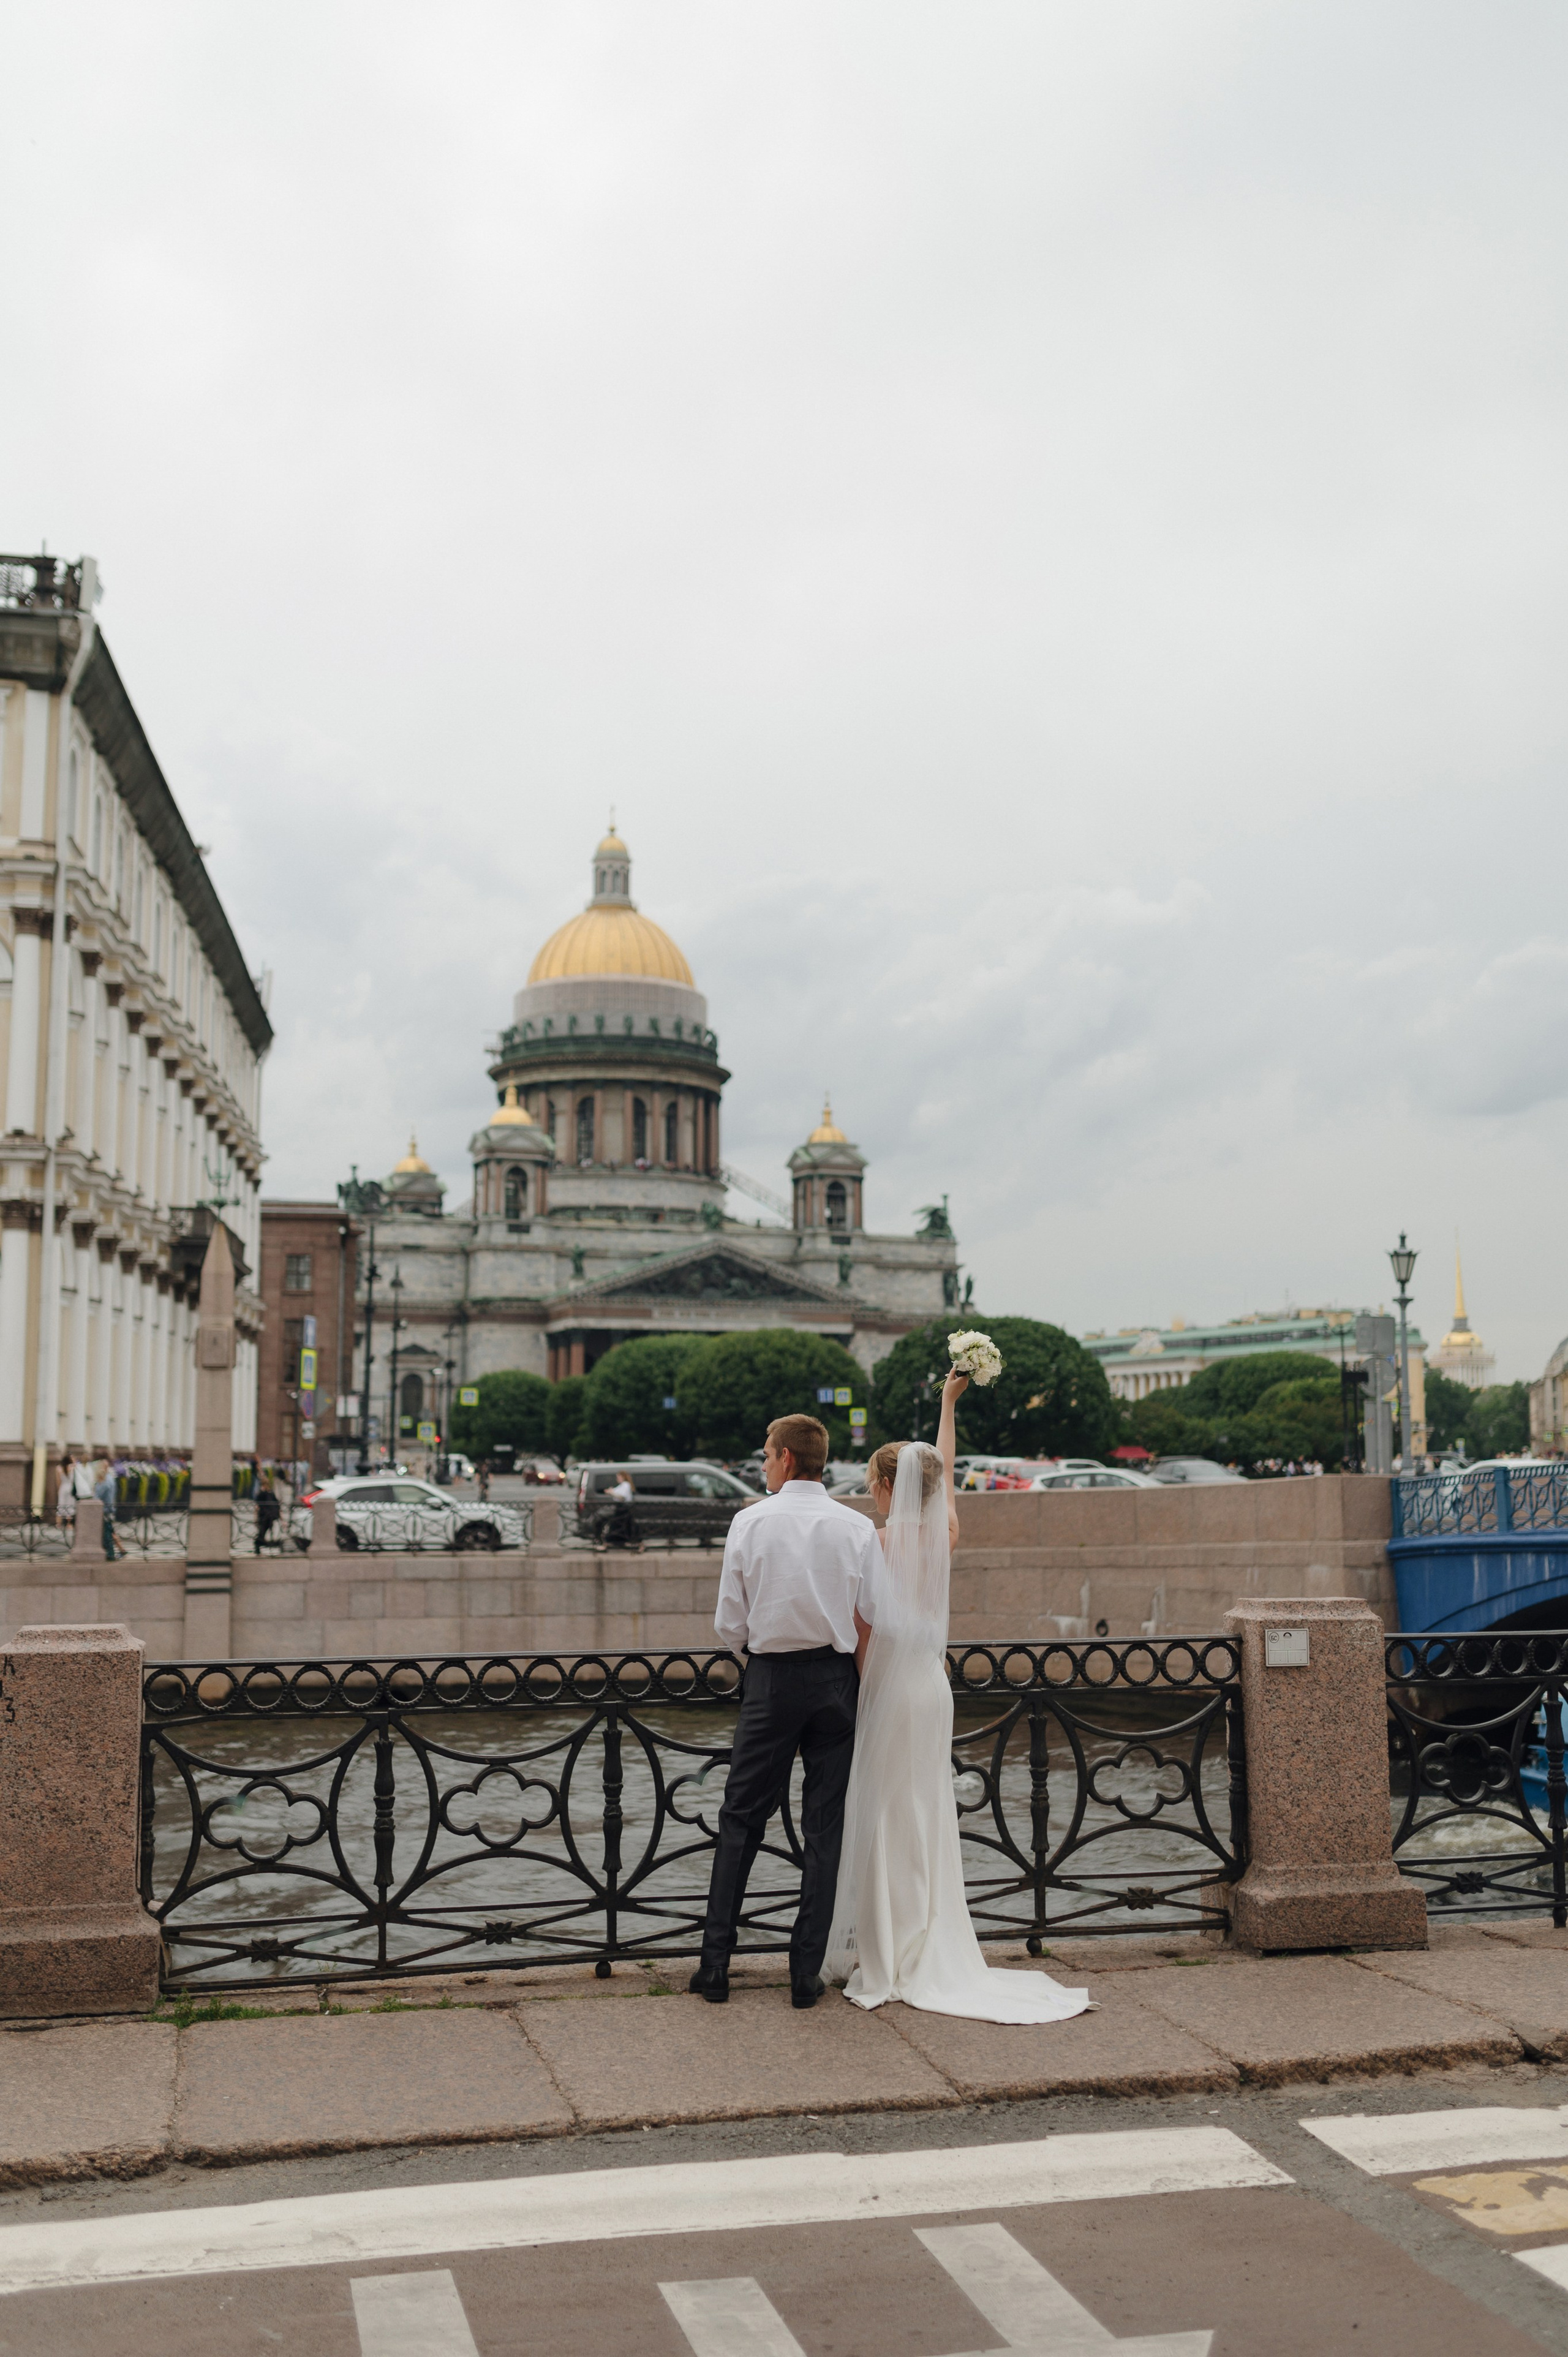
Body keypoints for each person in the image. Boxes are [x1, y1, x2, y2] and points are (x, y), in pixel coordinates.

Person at [824, 1371, 1090, 2026]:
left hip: (890, 1686)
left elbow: (861, 1636)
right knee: (926, 1809)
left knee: (887, 1813)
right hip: (931, 1687)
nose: (870, 1492)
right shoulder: (941, 1538)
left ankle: (886, 1945)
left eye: (873, 1482)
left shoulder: (877, 1542)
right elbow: (939, 1471)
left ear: (887, 1487)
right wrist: (948, 1403)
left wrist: (863, 1696)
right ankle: (928, 1935)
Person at [690, 1412, 876, 2011]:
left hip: (770, 1680)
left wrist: (759, 1651)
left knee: (741, 1817)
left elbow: (728, 1621)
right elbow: (870, 1611)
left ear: (788, 1459)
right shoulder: (855, 1526)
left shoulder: (750, 1521)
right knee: (825, 1827)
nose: (764, 1462)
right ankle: (804, 1973)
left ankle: (714, 1967)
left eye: (767, 1454)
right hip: (833, 1680)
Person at [92, 1456, 119, 1561]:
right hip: (109, 1508)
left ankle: (110, 1553)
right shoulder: (110, 1478)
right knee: (109, 1530)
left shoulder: (105, 1481)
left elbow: (97, 1496)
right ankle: (115, 1551)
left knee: (107, 1531)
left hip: (105, 1509)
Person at [253, 1468, 282, 1553]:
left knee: (263, 1530)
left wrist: (255, 1517)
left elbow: (257, 1506)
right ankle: (260, 1543)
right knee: (264, 1530)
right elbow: (276, 1505)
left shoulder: (265, 1493)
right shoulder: (267, 1493)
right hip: (268, 1516)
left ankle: (260, 1543)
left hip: (267, 1516)